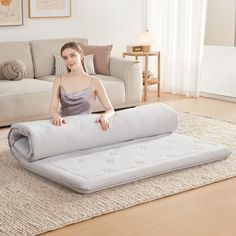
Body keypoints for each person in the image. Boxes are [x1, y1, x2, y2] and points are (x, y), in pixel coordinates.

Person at [49, 42, 115, 131]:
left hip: (84, 126)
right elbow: (52, 108)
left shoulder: (95, 82)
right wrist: (56, 116)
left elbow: (110, 109)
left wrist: (104, 116)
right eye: (65, 58)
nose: (69, 60)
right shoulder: (59, 80)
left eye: (72, 55)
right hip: (62, 125)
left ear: (81, 56)